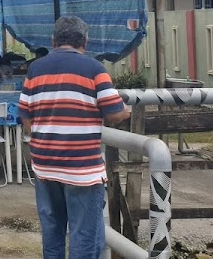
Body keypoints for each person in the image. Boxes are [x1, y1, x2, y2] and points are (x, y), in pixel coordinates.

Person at [19, 16, 130, 259]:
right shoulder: (95, 70)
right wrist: (126, 111)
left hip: (45, 166)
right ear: (85, 42)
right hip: (81, 171)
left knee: (52, 232)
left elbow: (26, 118)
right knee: (83, 237)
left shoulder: (35, 69)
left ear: (53, 41)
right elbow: (113, 114)